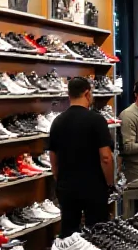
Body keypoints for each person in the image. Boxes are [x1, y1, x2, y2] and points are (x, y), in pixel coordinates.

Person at [49, 77, 115, 237]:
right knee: (98, 232)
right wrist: (110, 183)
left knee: (69, 232)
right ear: (87, 93)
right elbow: (105, 157)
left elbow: (53, 158)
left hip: (67, 186)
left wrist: (60, 180)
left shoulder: (57, 121)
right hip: (93, 185)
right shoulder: (97, 120)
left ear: (69, 94)